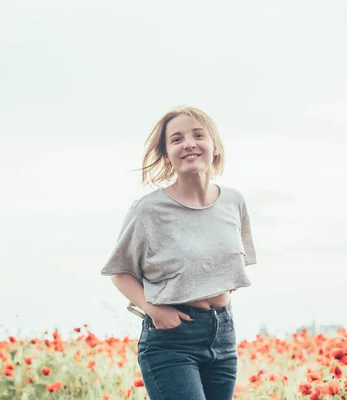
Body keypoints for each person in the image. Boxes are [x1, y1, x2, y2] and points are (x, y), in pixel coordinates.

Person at [100, 106, 257, 400]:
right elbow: (120, 272)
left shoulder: (234, 201)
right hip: (171, 341)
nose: (189, 144)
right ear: (166, 154)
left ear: (215, 147)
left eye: (199, 135)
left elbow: (229, 265)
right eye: (176, 139)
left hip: (223, 334)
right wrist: (154, 309)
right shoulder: (148, 210)